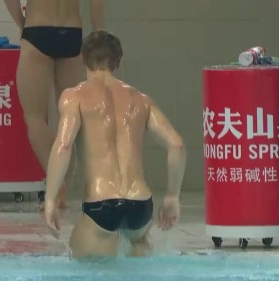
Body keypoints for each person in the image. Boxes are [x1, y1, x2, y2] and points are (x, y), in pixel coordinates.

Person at [44, 30, 187, 259]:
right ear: (119, 61)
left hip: (101, 205)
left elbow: (63, 146)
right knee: (136, 263)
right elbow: (177, 145)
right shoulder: (141, 100)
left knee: (79, 266)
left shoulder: (74, 97)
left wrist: (50, 199)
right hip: (140, 206)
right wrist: (172, 196)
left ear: (83, 60)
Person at [3, 0, 105, 208]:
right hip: (72, 32)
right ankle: (64, 186)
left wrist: (22, 23)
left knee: (34, 118)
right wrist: (98, 32)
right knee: (71, 119)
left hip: (38, 29)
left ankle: (58, 184)